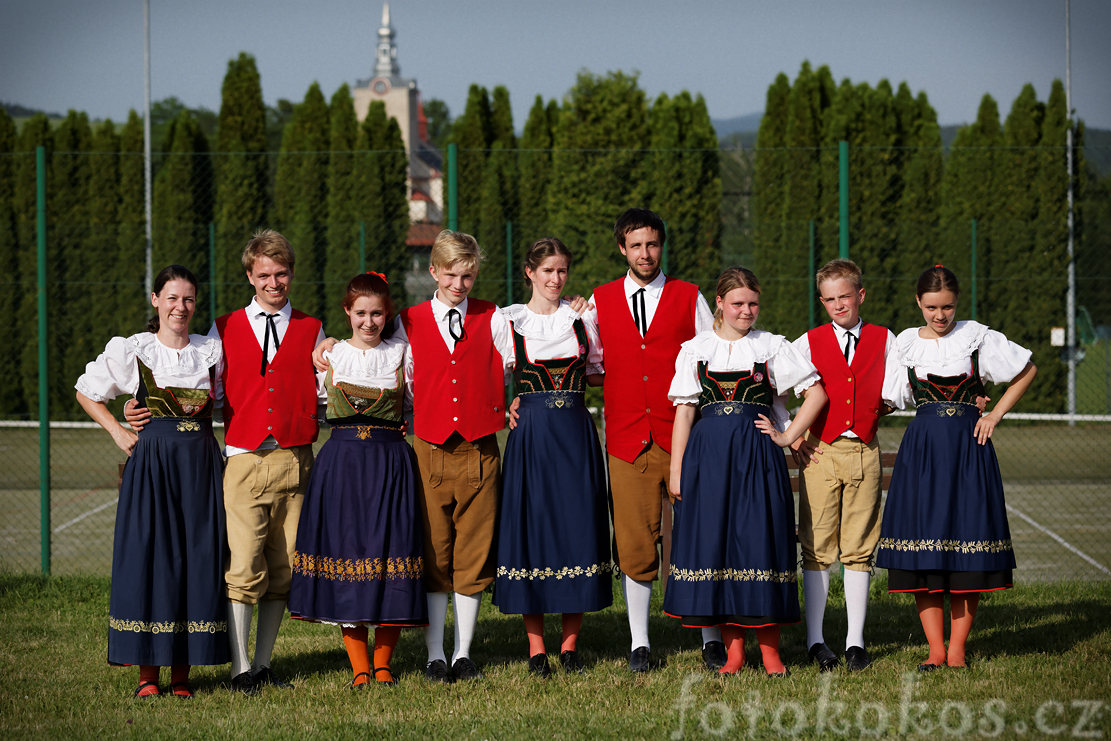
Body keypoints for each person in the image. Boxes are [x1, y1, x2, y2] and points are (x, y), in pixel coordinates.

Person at [129, 230, 325, 694]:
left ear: (291, 274)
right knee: (242, 567)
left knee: (285, 568)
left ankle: (262, 664)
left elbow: (331, 387)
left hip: (296, 460)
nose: (273, 282)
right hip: (243, 462)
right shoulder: (221, 328)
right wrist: (137, 406)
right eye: (264, 275)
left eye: (281, 274)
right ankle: (238, 668)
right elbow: (191, 382)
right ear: (249, 277)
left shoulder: (315, 330)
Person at [664, 267, 827, 677]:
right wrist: (676, 469)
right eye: (738, 303)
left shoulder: (771, 346)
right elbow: (684, 412)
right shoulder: (695, 349)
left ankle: (771, 652)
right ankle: (734, 653)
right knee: (719, 550)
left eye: (753, 303)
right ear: (718, 302)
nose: (747, 311)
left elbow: (817, 393)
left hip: (757, 458)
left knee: (760, 544)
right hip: (708, 462)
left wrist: (788, 436)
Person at [580, 208, 723, 672]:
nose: (646, 253)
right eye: (636, 245)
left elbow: (715, 355)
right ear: (621, 248)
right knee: (635, 544)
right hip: (626, 440)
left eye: (653, 244)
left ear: (662, 246)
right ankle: (640, 641)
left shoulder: (688, 297)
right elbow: (583, 362)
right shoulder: (599, 301)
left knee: (697, 536)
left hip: (685, 438)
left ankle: (709, 637)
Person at [76, 265, 227, 699]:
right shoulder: (135, 350)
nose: (181, 308)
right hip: (153, 463)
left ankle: (182, 673)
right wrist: (118, 428)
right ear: (156, 300)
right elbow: (87, 391)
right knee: (153, 557)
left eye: (189, 300)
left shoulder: (211, 351)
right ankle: (148, 673)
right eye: (173, 298)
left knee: (197, 558)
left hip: (200, 462)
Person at [876, 265, 1036, 670]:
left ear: (957, 303)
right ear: (918, 302)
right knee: (925, 550)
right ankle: (935, 649)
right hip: (923, 453)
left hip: (969, 451)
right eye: (931, 307)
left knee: (965, 550)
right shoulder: (906, 343)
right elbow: (889, 399)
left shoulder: (976, 337)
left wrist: (994, 413)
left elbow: (1027, 369)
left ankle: (958, 650)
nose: (940, 315)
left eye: (947, 306)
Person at [289, 272, 427, 688]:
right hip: (343, 465)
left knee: (392, 554)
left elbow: (421, 405)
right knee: (348, 554)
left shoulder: (403, 354)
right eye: (361, 313)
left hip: (391, 464)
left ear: (388, 315)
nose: (369, 322)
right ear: (347, 312)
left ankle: (383, 663)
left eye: (378, 313)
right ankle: (360, 666)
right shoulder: (330, 357)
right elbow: (306, 403)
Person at [492, 238, 612, 678]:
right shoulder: (509, 321)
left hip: (576, 434)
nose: (556, 279)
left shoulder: (582, 318)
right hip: (533, 437)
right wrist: (503, 406)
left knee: (576, 526)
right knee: (534, 528)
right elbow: (484, 375)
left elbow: (598, 373)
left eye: (562, 271)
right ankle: (536, 648)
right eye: (547, 271)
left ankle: (571, 645)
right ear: (530, 272)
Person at [789, 259, 900, 673]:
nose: (839, 305)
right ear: (822, 301)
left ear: (861, 295)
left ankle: (855, 641)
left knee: (859, 548)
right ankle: (815, 639)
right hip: (820, 451)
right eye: (830, 299)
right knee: (816, 549)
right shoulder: (808, 341)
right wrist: (793, 433)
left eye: (845, 297)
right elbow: (776, 389)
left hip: (864, 452)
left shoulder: (884, 338)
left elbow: (902, 384)